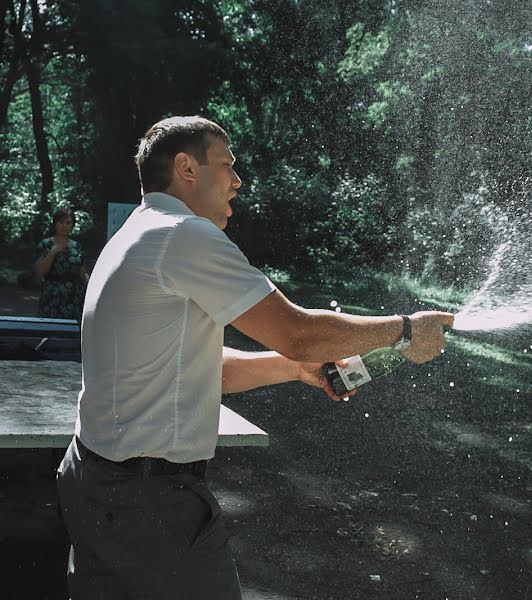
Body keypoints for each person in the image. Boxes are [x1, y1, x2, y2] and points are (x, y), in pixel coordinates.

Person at [56, 115, 453, 599]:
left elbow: (203, 369)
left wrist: (293, 369)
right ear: (186, 167)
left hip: (97, 481)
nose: (238, 182)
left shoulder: (139, 233)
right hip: (149, 503)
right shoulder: (184, 234)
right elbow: (299, 332)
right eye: (227, 165)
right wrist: (406, 331)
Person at [33, 207, 89, 319]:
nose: (64, 226)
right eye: (61, 222)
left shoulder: (77, 246)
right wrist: (52, 253)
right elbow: (39, 272)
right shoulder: (45, 244)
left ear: (72, 225)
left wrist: (92, 288)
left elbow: (82, 273)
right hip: (52, 296)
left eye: (68, 223)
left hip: (75, 298)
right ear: (55, 224)